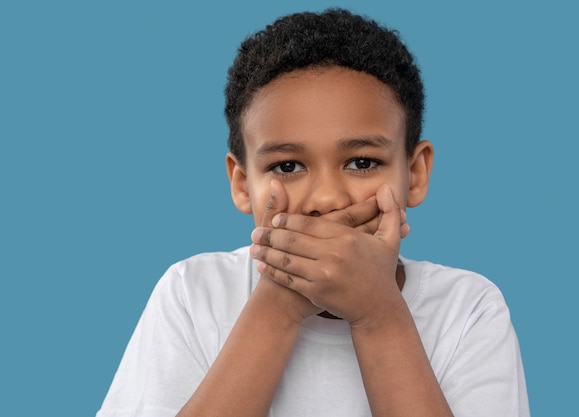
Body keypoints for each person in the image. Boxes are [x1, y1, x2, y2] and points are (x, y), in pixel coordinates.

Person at [96, 8, 529, 417]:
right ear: (242, 183)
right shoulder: (193, 294)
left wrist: (379, 313)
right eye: (287, 166)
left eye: (362, 162)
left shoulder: (469, 308)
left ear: (413, 174)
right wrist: (277, 306)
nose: (326, 199)